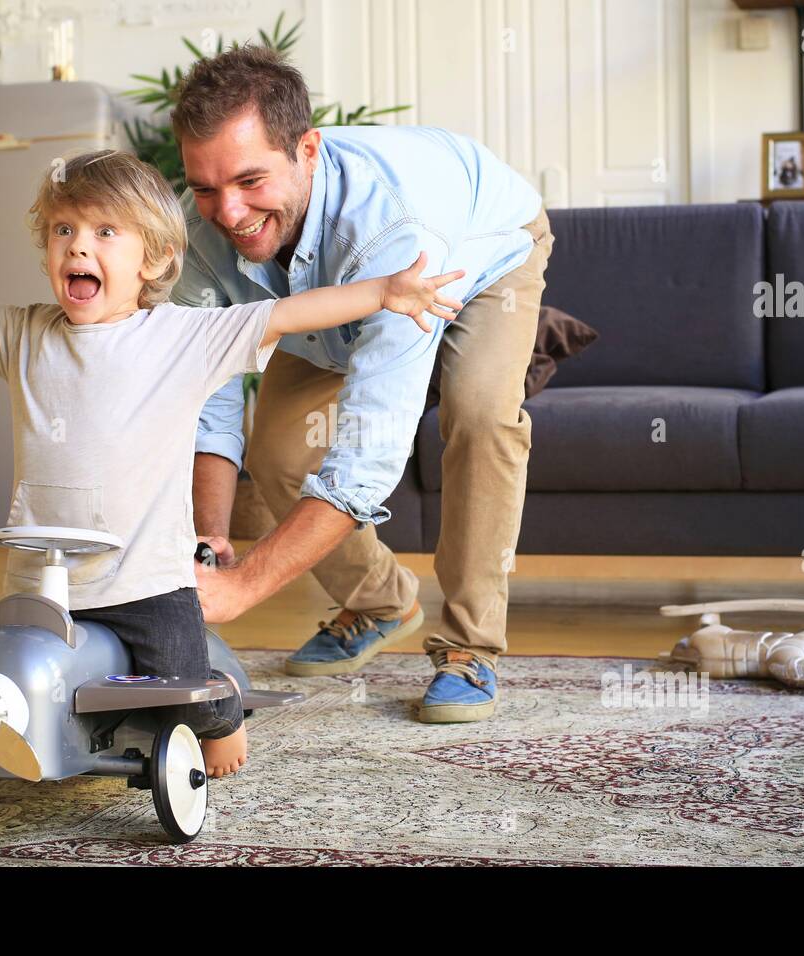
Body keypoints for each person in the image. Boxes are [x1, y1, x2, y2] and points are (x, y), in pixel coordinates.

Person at [0, 149, 463, 776]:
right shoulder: (28, 334)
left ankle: (222, 713)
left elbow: (286, 312)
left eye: (104, 233)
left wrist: (385, 292)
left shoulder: (181, 336)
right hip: (42, 583)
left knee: (181, 688)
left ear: (152, 259)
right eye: (62, 231)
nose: (77, 247)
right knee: (15, 675)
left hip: (145, 580)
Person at [173, 45, 554, 723]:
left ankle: (470, 647)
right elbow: (210, 395)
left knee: (480, 413)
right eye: (205, 187)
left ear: (307, 149)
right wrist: (213, 538)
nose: (228, 212)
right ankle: (381, 601)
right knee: (279, 455)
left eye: (250, 181)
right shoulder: (201, 237)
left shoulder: (394, 230)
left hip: (481, 255)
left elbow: (368, 452)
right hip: (326, 297)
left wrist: (244, 589)